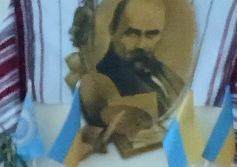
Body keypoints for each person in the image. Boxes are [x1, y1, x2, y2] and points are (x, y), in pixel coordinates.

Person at [74, 0, 186, 158]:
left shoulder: (166, 74)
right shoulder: (104, 81)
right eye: (132, 33)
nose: (141, 44)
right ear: (113, 30)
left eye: (152, 34)